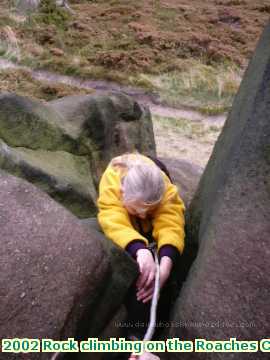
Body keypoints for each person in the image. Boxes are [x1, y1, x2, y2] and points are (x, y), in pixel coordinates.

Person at [97, 152, 185, 349]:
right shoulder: (112, 183)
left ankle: (141, 338)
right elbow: (112, 218)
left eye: (149, 211)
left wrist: (165, 266)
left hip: (151, 173)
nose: (144, 215)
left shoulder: (165, 189)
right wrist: (139, 249)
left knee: (159, 274)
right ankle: (135, 339)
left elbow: (172, 224)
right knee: (140, 273)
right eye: (137, 211)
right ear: (122, 192)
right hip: (132, 182)